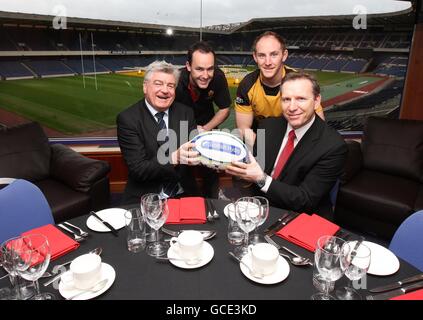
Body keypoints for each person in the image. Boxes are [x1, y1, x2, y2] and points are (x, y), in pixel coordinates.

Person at [226, 72, 347, 219]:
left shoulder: (333, 145)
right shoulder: (268, 126)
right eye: (286, 99)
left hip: (300, 218)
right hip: (260, 209)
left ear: (316, 101)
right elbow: (256, 169)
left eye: (301, 99)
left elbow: (305, 199)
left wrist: (261, 178)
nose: (292, 107)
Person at [117, 60, 200, 205]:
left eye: (170, 85)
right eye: (158, 83)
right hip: (146, 197)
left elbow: (195, 151)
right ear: (145, 87)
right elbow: (139, 169)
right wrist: (174, 158)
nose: (165, 90)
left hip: (184, 193)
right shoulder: (128, 119)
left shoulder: (186, 113)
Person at [235, 31, 325, 148]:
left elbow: (319, 125)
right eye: (262, 55)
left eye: (274, 55)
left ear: (284, 55)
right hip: (260, 141)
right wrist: (266, 151)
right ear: (255, 57)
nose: (268, 62)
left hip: (296, 141)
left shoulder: (301, 83)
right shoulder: (247, 85)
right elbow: (244, 129)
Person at [175, 41, 232, 198]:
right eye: (199, 69)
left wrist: (205, 129)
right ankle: (189, 197)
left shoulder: (218, 77)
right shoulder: (176, 81)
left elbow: (225, 109)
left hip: (207, 124)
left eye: (210, 69)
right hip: (181, 125)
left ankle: (213, 198)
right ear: (188, 66)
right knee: (183, 168)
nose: (205, 75)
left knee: (211, 167)